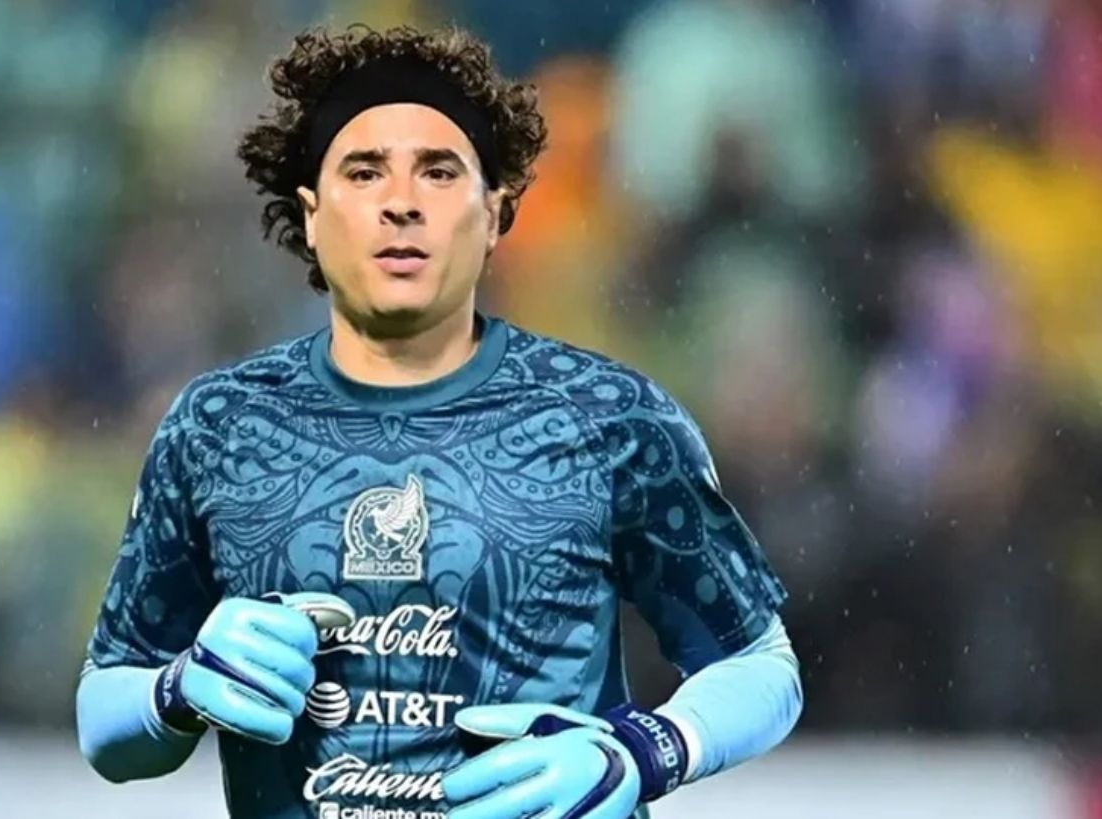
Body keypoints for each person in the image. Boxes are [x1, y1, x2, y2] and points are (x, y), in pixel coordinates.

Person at [76, 24, 802, 819]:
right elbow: (105, 714)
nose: (401, 202)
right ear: (311, 214)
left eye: (439, 170)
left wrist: (642, 749)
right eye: (364, 171)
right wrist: (175, 691)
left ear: (494, 213)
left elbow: (761, 663)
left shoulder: (611, 417)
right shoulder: (218, 424)